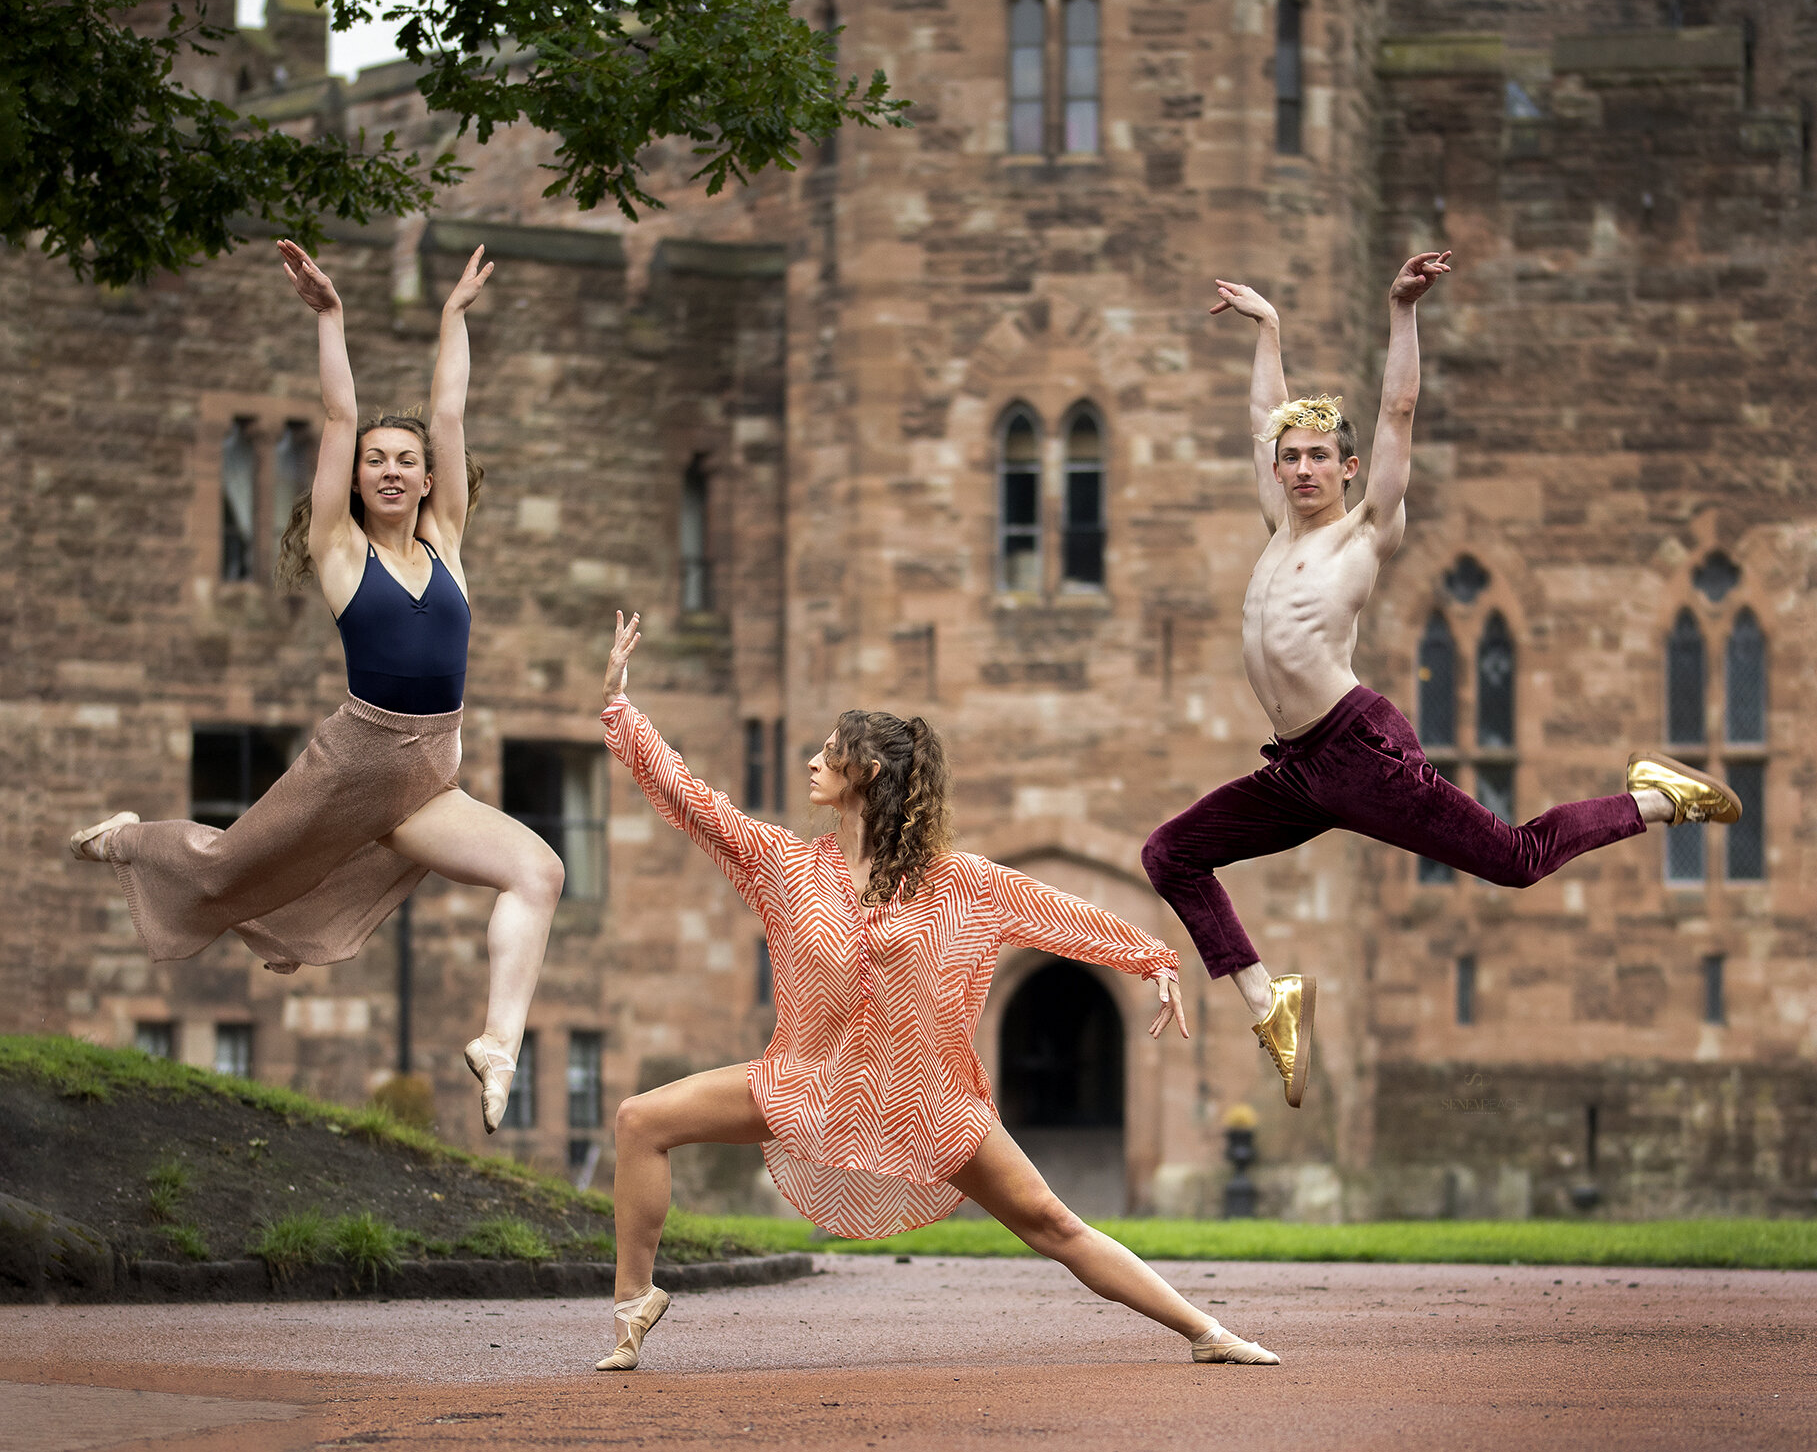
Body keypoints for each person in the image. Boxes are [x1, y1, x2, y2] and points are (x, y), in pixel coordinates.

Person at [593, 611, 1278, 1374]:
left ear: (870, 774)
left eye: (831, 751)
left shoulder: (958, 883)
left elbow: (1057, 913)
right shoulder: (783, 866)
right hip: (807, 1085)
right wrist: (623, 711)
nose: (813, 761)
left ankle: (1207, 1333)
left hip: (926, 1102)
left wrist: (1151, 960)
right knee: (638, 1120)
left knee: (1052, 1223)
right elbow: (695, 802)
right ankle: (633, 1301)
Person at [1141, 252, 1741, 1107]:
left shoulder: (1364, 533)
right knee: (1171, 853)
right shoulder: (1276, 525)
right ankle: (1270, 1003)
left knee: (1517, 859)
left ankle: (1654, 799)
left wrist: (1400, 310)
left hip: (1358, 752)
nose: (1303, 469)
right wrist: (1268, 327)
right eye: (1291, 458)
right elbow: (1258, 415)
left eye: (1319, 458)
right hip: (1298, 768)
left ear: (1347, 472)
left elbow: (1397, 409)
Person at [68, 241, 565, 1133]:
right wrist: (329, 316)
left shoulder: (448, 540)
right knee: (229, 869)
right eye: (376, 460)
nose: (389, 469)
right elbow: (337, 417)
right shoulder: (342, 554)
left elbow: (450, 413)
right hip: (356, 760)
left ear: (424, 479)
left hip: (427, 776)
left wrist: (453, 320)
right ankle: (130, 842)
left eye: (403, 460)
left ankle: (498, 1043)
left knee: (538, 870)